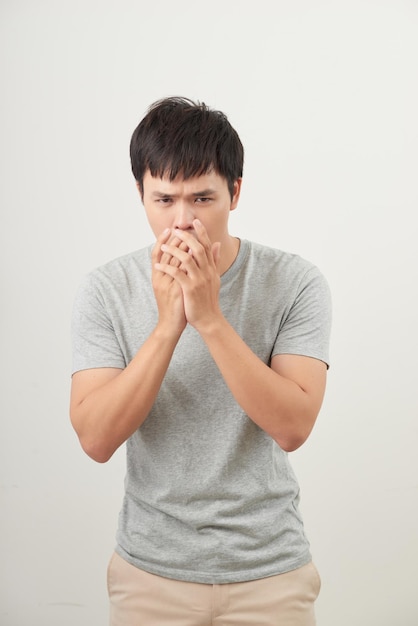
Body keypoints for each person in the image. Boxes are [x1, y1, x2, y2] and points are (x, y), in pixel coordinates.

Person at [70, 96, 332, 626]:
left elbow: (293, 426)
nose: (182, 222)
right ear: (140, 193)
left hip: (270, 571)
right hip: (149, 573)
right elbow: (95, 440)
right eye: (163, 199)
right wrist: (169, 325)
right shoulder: (106, 289)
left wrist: (209, 319)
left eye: (202, 198)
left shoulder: (295, 282)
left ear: (235, 192)